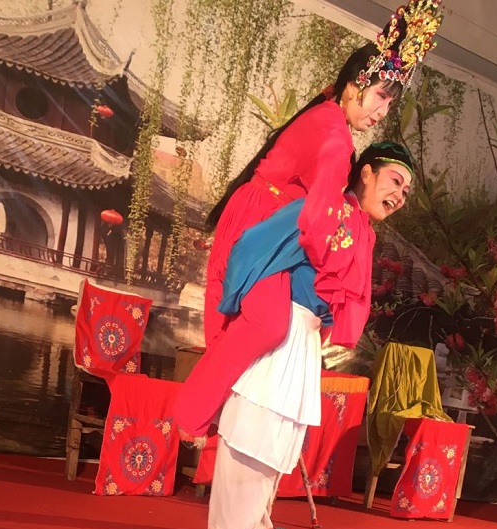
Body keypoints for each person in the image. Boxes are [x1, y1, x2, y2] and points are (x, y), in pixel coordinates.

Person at [174, 0, 444, 441]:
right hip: (267, 227)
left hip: (273, 224)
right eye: (381, 97)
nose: (381, 112)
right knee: (266, 323)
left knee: (262, 327)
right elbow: (318, 220)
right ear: (356, 85)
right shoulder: (335, 138)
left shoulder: (330, 119)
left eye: (389, 104)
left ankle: (208, 419)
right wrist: (328, 267)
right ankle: (190, 415)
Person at [205, 142, 416, 529]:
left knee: (284, 429)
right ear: (367, 172)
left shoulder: (362, 227)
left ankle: (256, 517)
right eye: (395, 181)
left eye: (406, 192)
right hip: (281, 323)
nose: (399, 196)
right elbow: (254, 243)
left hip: (306, 331)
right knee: (256, 424)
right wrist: (252, 302)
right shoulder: (324, 207)